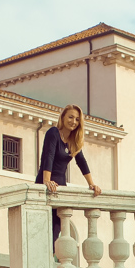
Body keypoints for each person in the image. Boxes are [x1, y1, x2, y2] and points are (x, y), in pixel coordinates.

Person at [36, 103, 102, 243]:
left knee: (55, 232)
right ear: (63, 117)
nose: (73, 121)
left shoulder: (73, 141)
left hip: (61, 187)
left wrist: (92, 184)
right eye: (70, 117)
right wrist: (46, 181)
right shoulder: (53, 133)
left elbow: (81, 162)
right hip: (47, 184)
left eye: (77, 119)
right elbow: (49, 156)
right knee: (41, 230)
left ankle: (50, 260)